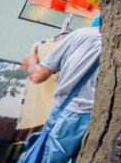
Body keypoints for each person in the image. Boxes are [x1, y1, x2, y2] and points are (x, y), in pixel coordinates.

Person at [18, 15, 102, 163]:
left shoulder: (82, 34)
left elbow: (38, 76)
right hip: (100, 118)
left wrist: (30, 62)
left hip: (71, 115)